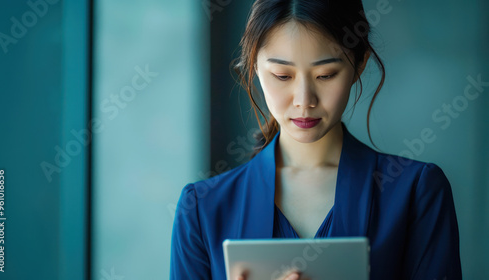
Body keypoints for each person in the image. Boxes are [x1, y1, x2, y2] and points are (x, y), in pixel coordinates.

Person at [169, 0, 462, 279]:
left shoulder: (416, 192)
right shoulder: (202, 209)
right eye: (283, 76)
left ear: (359, 64)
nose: (304, 100)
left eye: (326, 74)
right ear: (254, 68)